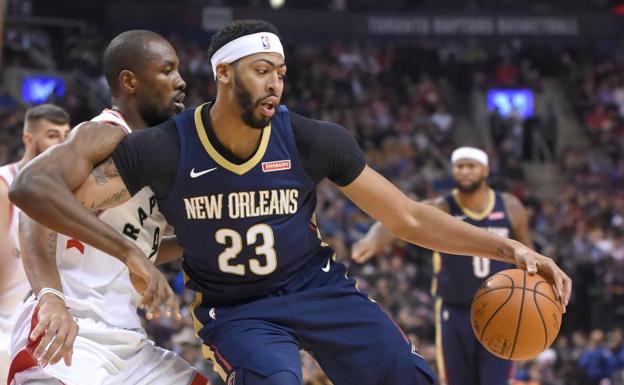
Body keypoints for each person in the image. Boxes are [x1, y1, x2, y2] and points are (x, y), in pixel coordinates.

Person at [9, 20, 572, 385]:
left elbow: (408, 215)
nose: (276, 83)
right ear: (224, 74)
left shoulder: (311, 138)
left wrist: (510, 247)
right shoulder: (158, 146)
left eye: (280, 72)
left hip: (315, 286)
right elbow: (39, 196)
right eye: (262, 71)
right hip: (234, 310)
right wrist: (100, 270)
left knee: (404, 371)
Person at [7, 30, 208, 385]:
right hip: (69, 325)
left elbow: (131, 241)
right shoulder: (105, 132)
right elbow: (31, 197)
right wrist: (51, 298)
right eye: (167, 70)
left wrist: (196, 242)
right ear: (129, 81)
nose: (180, 81)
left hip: (127, 336)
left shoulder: (158, 154)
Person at [352, 146, 533, 385]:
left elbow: (529, 255)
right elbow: (401, 217)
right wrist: (372, 239)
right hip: (455, 309)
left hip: (500, 310)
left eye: (471, 166)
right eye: (460, 166)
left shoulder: (510, 207)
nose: (465, 171)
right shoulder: (443, 207)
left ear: (485, 170)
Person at [0, 104, 70, 383]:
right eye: (53, 135)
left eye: (67, 135)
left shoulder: (66, 191)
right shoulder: (5, 186)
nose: (63, 144)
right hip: (5, 323)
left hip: (42, 325)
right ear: (29, 139)